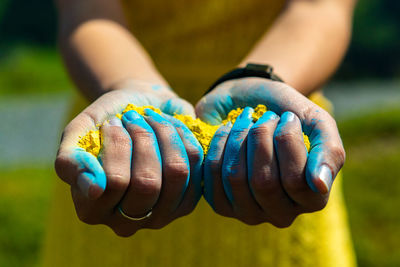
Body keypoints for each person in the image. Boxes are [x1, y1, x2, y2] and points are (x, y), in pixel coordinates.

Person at [43, 0, 357, 266]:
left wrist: (260, 77)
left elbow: (319, 8)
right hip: (120, 151)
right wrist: (130, 86)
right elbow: (87, 14)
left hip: (276, 145)